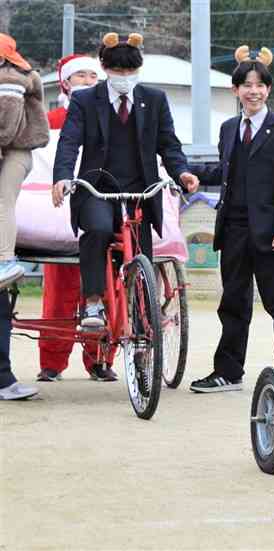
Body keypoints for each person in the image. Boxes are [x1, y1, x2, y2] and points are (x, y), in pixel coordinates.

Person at [53, 33, 199, 343]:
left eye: (130, 72)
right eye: (117, 71)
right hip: (97, 187)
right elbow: (69, 142)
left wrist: (182, 172)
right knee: (98, 229)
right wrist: (63, 177)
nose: (123, 78)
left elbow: (168, 144)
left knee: (140, 248)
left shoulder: (155, 100)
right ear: (104, 67)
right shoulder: (85, 100)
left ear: (139, 69)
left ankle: (143, 310)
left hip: (139, 189)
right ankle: (93, 304)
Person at [189, 46, 274, 393]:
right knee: (233, 303)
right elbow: (225, 171)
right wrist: (189, 174)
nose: (254, 91)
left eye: (260, 85)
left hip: (270, 233)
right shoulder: (227, 129)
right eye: (246, 84)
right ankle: (228, 371)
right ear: (235, 90)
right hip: (234, 229)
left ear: (269, 89)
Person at [39, 53, 108, 382]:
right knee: (59, 294)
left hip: (97, 205)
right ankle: (52, 362)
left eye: (93, 77)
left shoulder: (109, 115)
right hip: (55, 210)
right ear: (66, 82)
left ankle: (99, 360)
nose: (88, 82)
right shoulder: (49, 119)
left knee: (102, 290)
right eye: (81, 76)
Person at [0, 32, 48, 400]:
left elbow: (8, 124)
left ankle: (2, 378)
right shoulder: (18, 73)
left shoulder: (13, 77)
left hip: (14, 149)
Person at [0, 32, 49, 289]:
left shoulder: (12, 79)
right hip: (15, 148)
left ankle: (5, 261)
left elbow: (6, 129)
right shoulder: (25, 73)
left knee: (3, 198)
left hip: (16, 148)